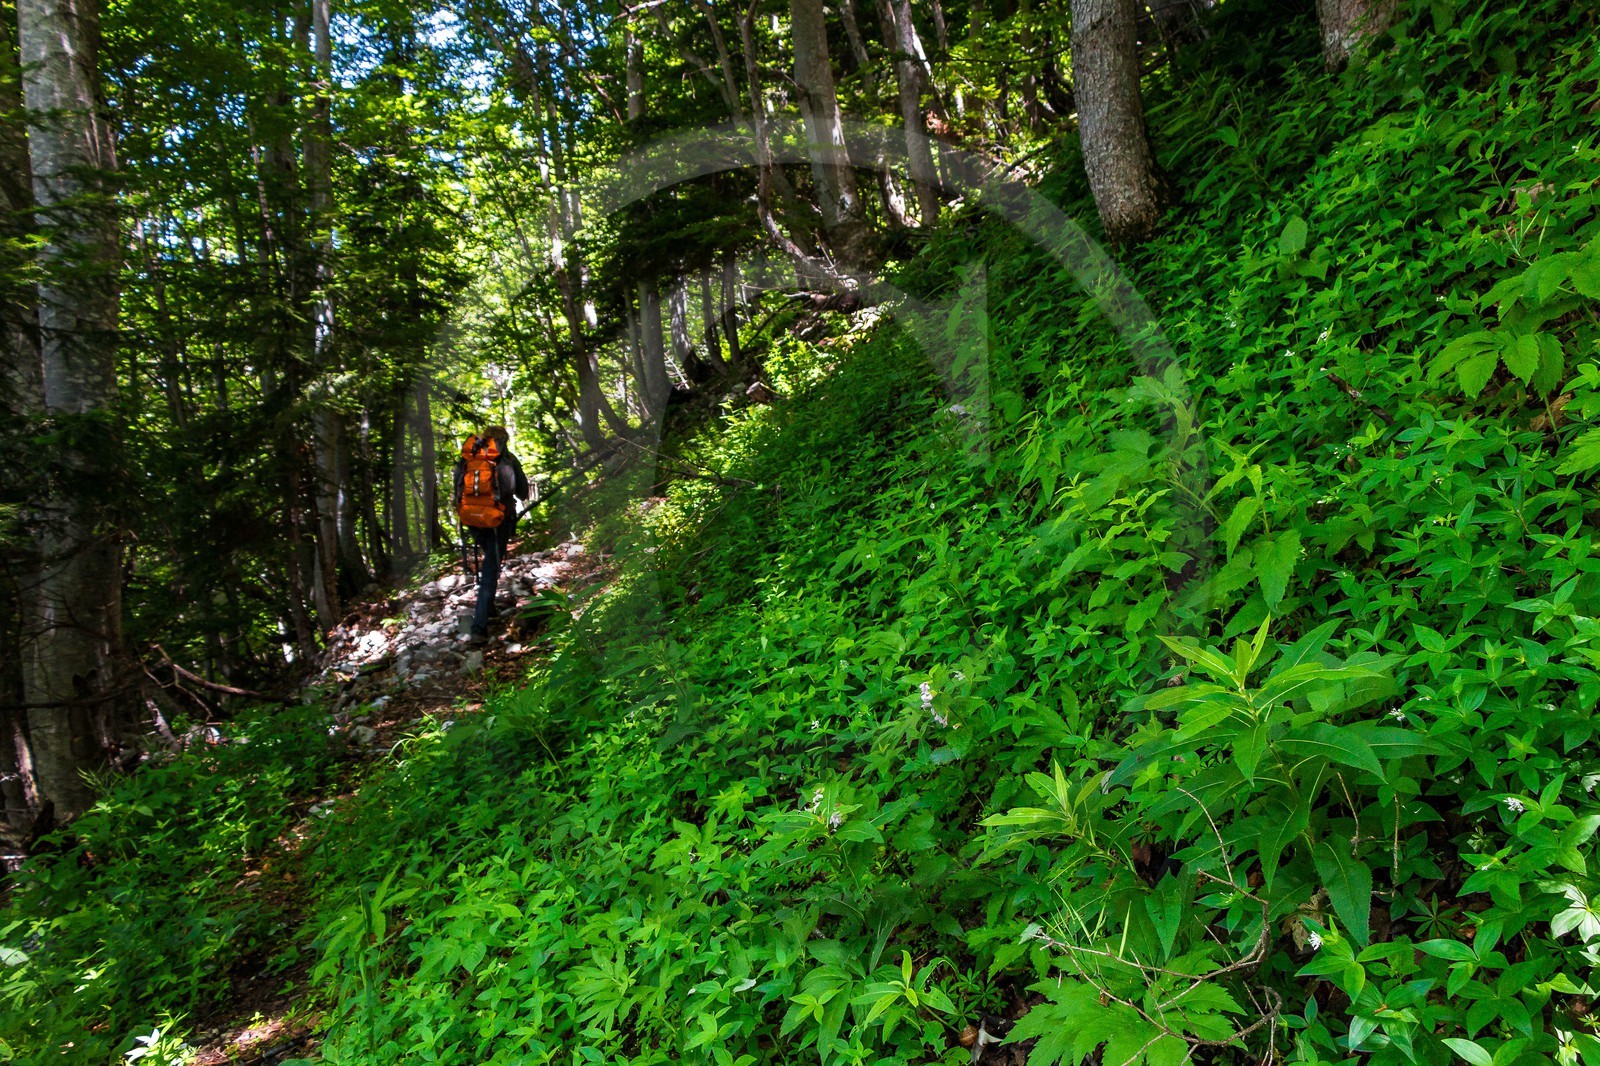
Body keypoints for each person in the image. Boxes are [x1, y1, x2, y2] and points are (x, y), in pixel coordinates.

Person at [452, 424, 530, 644]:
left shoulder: (468, 458)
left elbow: (457, 490)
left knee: (488, 563)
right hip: (497, 521)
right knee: (490, 569)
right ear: (504, 440)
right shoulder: (506, 459)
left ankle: (488, 608)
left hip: (472, 520)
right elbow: (522, 492)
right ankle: (478, 627)